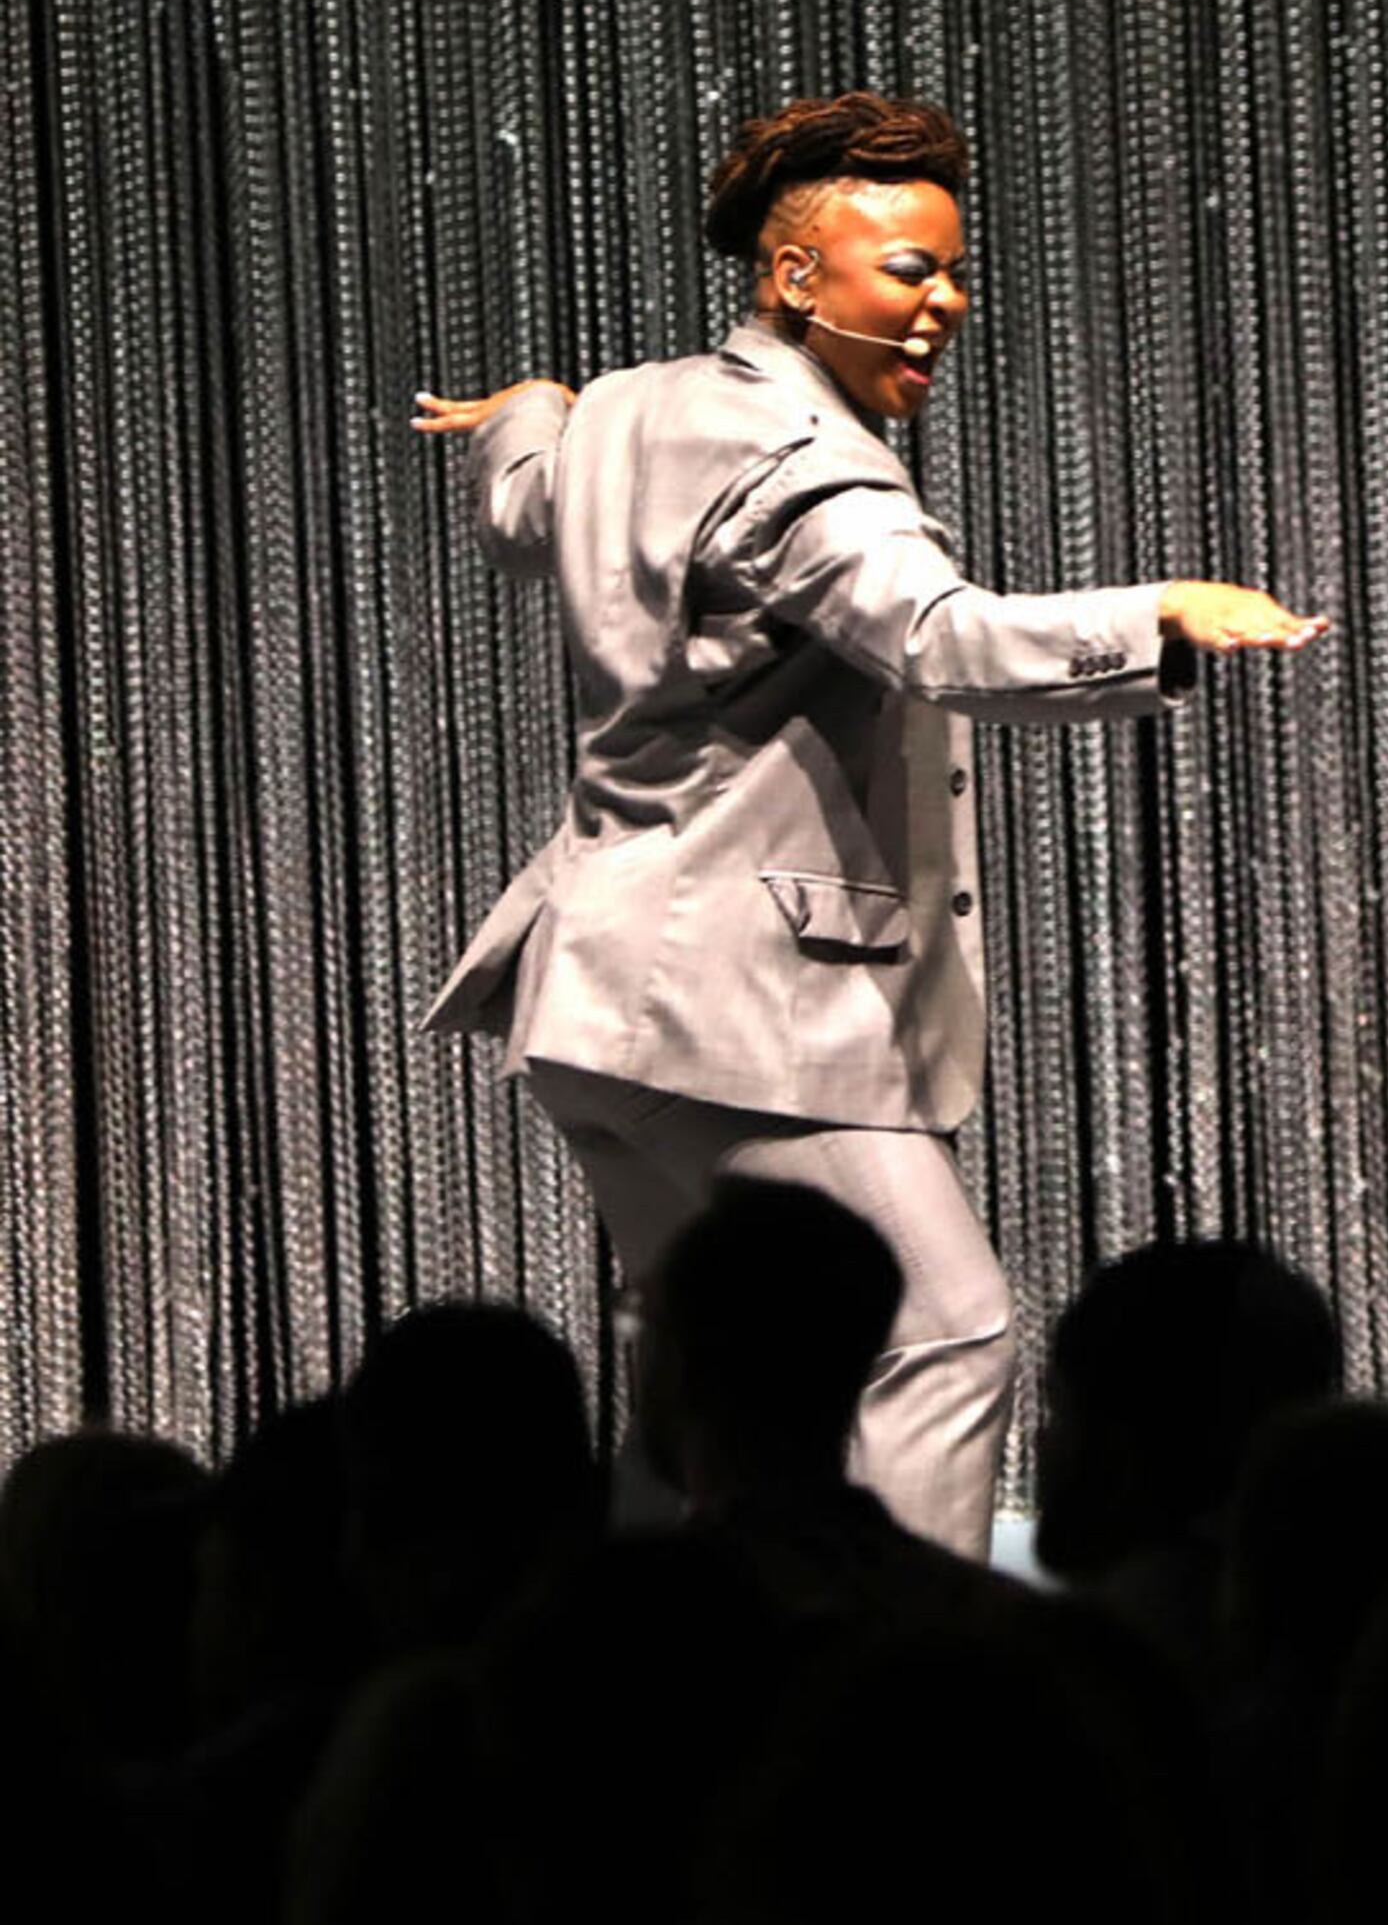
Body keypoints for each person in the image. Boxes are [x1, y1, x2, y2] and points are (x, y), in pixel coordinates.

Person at [415, 91, 1328, 1556]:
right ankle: (904, 1677)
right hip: (735, 1013)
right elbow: (938, 637)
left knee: (705, 1380)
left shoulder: (640, 408)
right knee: (943, 1334)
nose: (945, 305)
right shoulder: (810, 469)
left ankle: (642, 1694)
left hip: (592, 997)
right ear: (795, 280)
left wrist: (534, 406)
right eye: (908, 272)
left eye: (955, 273)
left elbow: (523, 503)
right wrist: (1158, 613)